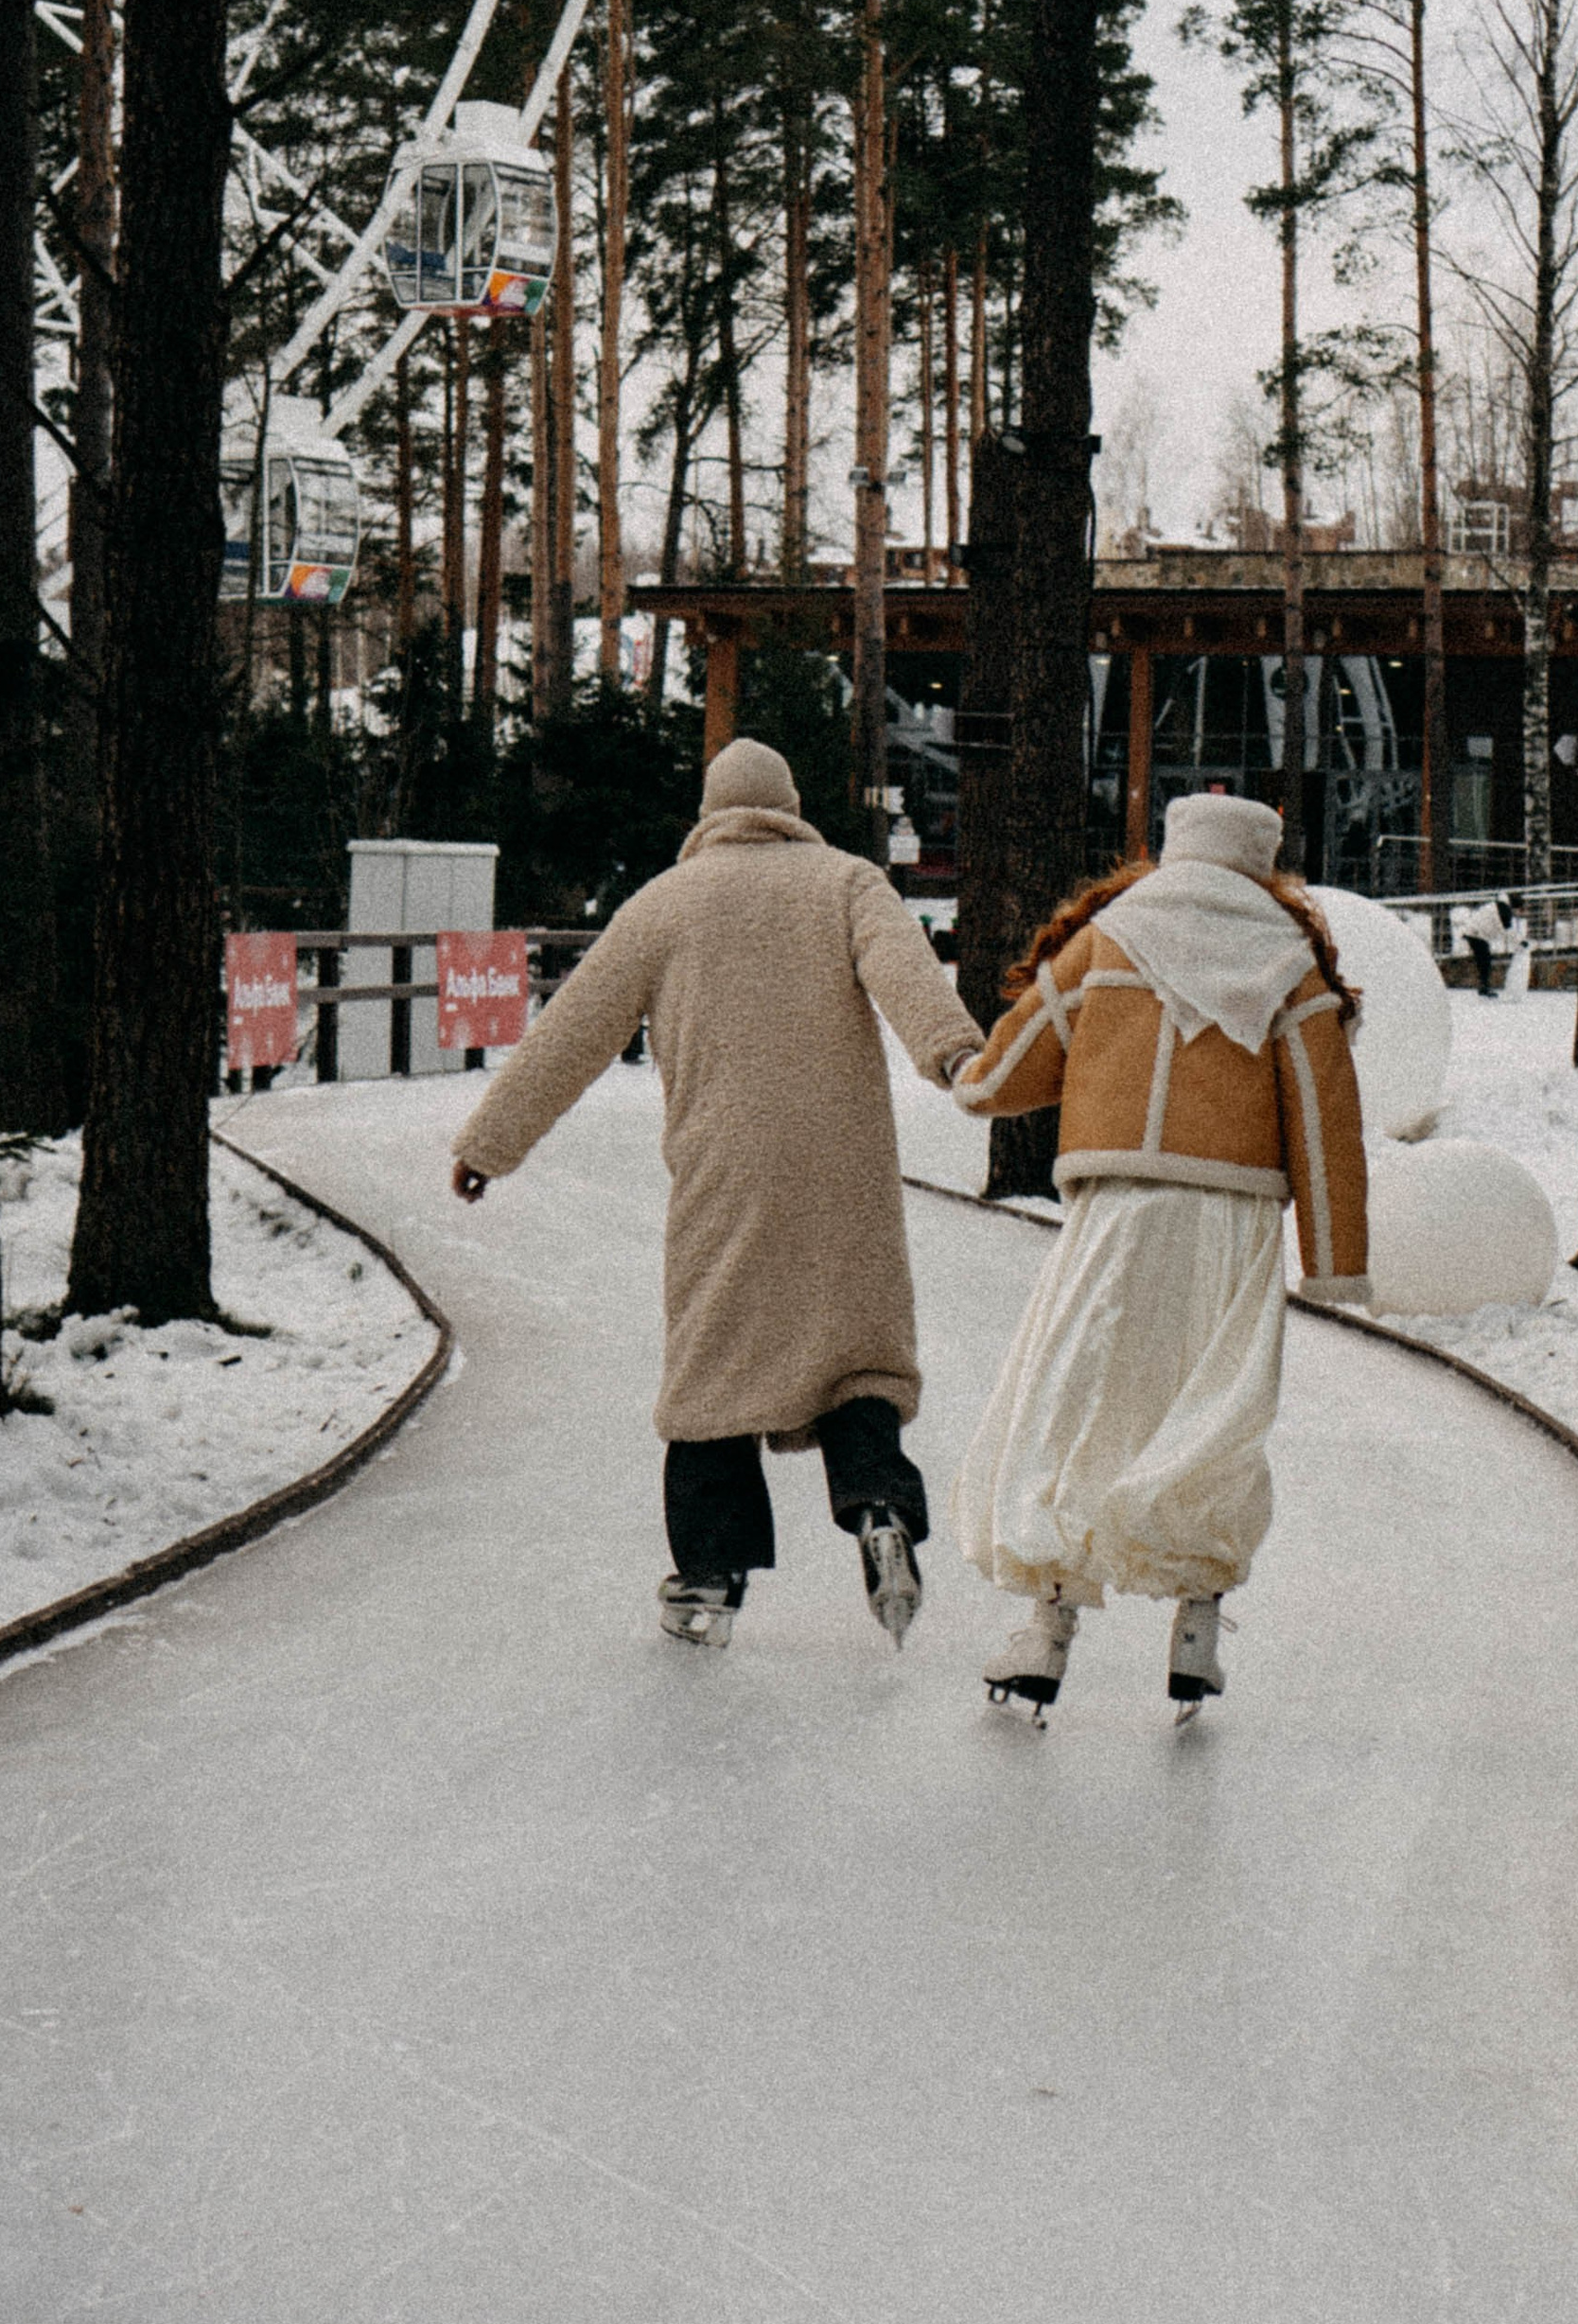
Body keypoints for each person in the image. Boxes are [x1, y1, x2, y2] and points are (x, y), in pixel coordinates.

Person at [448, 737, 983, 1654]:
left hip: (722, 1178)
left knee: (712, 1384)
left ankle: (706, 1579)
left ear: (710, 814)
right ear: (788, 806)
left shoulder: (664, 904)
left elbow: (569, 1034)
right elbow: (909, 977)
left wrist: (489, 1145)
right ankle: (880, 1511)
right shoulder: (847, 882)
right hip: (843, 1174)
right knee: (859, 1367)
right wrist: (957, 1054)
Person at [950, 790, 1368, 1720]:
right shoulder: (1290, 963)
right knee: (1210, 1413)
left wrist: (965, 1080)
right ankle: (1196, 1630)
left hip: (1118, 1207)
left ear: (1169, 850)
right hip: (1234, 1221)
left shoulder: (1106, 939)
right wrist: (1336, 1259)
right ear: (1260, 862)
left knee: (1073, 1400)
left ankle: (1045, 1632)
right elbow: (1324, 1119)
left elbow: (1006, 1074)